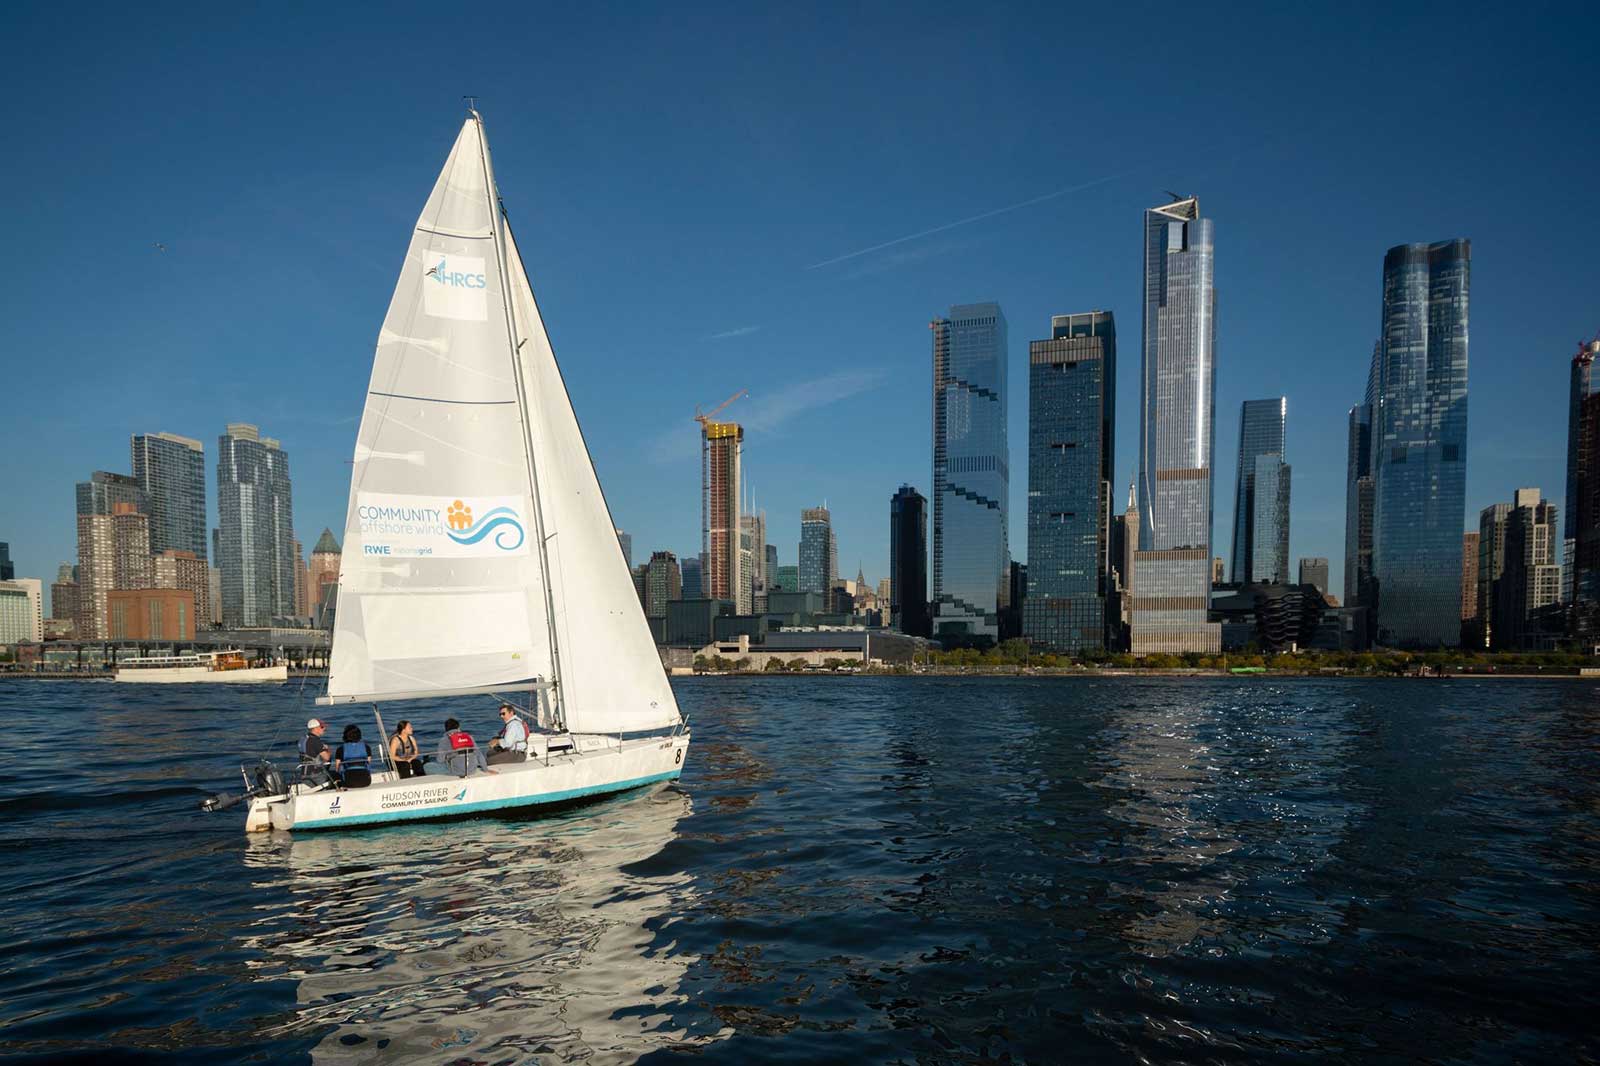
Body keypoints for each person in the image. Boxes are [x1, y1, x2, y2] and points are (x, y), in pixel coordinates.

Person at [298, 718, 334, 787]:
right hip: (316, 775)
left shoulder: (303, 739)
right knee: (335, 776)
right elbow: (326, 757)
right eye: (322, 727)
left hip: (304, 773)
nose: (324, 729)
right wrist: (328, 749)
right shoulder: (316, 741)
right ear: (315, 728)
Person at [335, 724, 372, 788]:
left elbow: (337, 769)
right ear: (359, 735)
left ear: (345, 736)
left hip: (348, 782)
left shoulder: (340, 749)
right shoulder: (366, 747)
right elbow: (368, 764)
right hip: (366, 781)